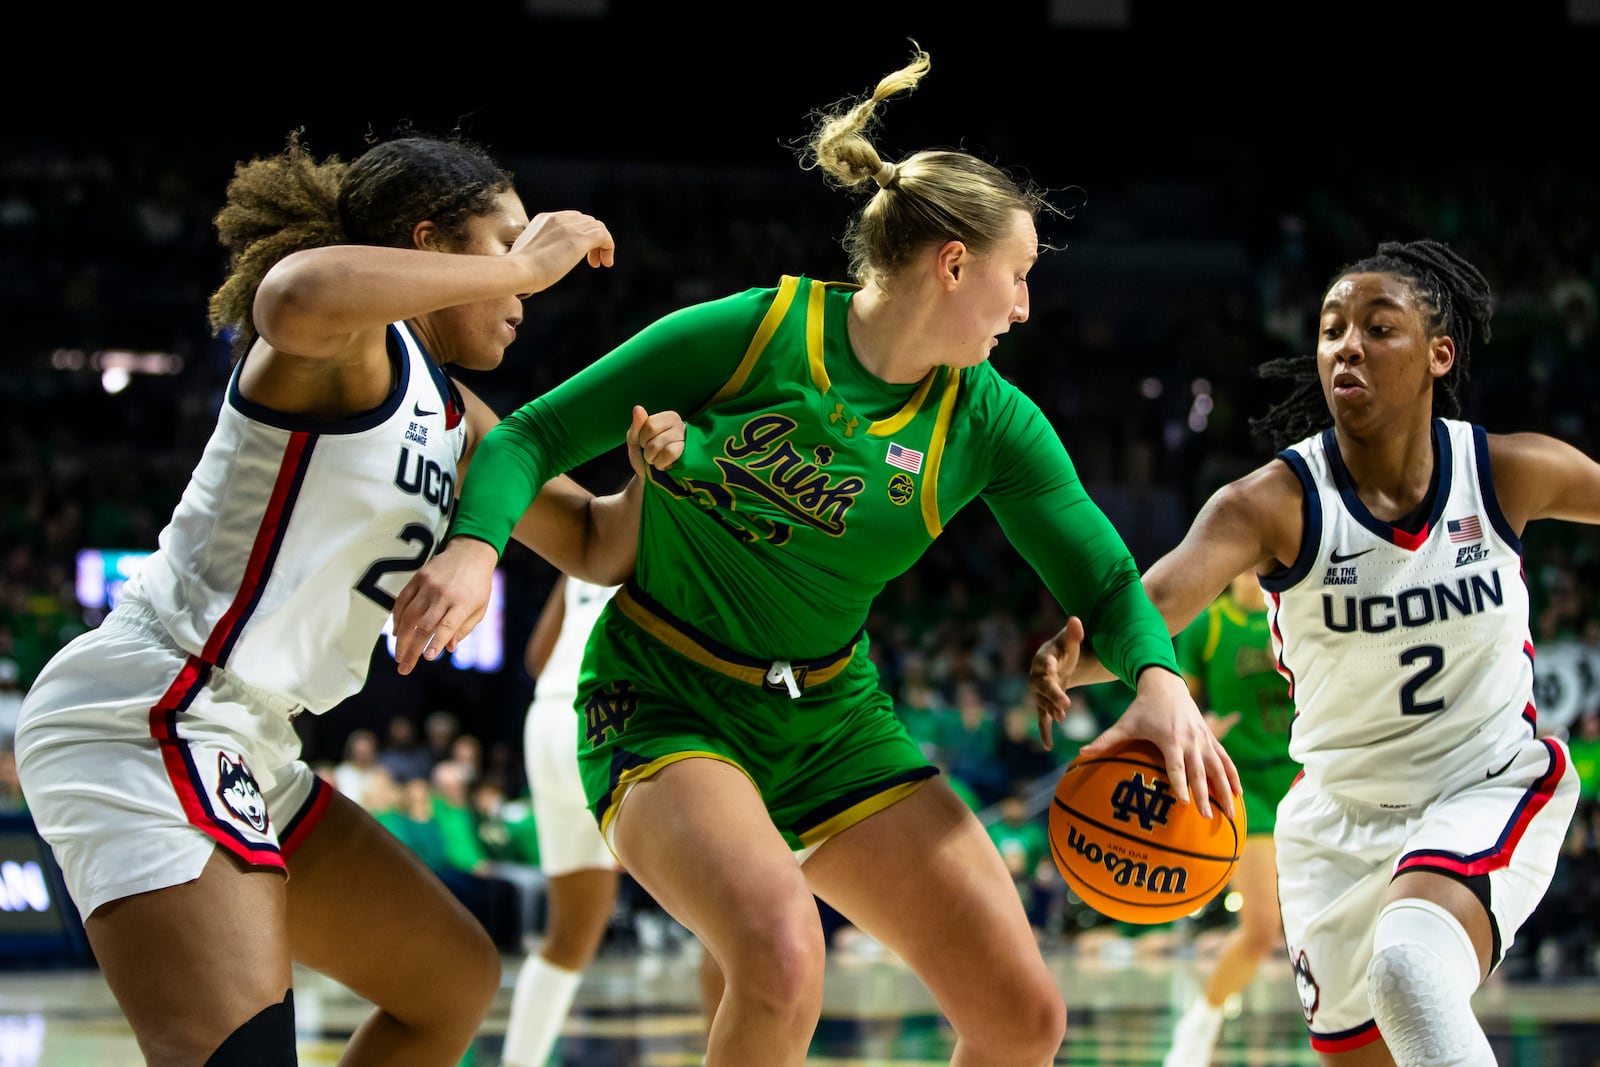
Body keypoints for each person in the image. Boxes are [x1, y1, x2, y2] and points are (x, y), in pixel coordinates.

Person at [392, 45, 1236, 1067]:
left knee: (1023, 1018)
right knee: (784, 956)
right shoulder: (754, 332)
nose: (1023, 308)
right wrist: (476, 549)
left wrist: (1157, 678)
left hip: (832, 716)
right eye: (1018, 277)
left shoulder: (991, 422)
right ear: (953, 264)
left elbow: (1103, 576)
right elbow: (526, 437)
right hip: (665, 694)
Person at [12, 130, 685, 1066]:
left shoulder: (463, 419)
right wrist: (536, 263)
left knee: (450, 981)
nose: (529, 294)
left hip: (249, 735)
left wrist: (655, 473)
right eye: (505, 241)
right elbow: (292, 291)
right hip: (156, 711)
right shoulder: (350, 351)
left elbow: (595, 546)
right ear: (428, 246)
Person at [1032, 239, 1587, 1066]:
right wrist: (1064, 660)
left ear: (1439, 354)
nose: (1347, 345)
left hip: (1481, 784)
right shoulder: (1269, 504)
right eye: (1331, 330)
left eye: (1377, 326)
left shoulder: (1502, 472)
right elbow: (1147, 611)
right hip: (1335, 823)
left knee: (1411, 971)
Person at [1163, 569, 1296, 1067]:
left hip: (1307, 776)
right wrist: (1199, 727)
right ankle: (1203, 1020)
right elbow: (1180, 706)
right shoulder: (1207, 625)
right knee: (1262, 929)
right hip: (1245, 788)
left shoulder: (1299, 609)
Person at [502, 573, 622, 1067]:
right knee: (729, 916)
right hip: (608, 715)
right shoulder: (688, 515)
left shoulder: (599, 524)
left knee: (569, 934)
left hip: (549, 718)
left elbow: (537, 656)